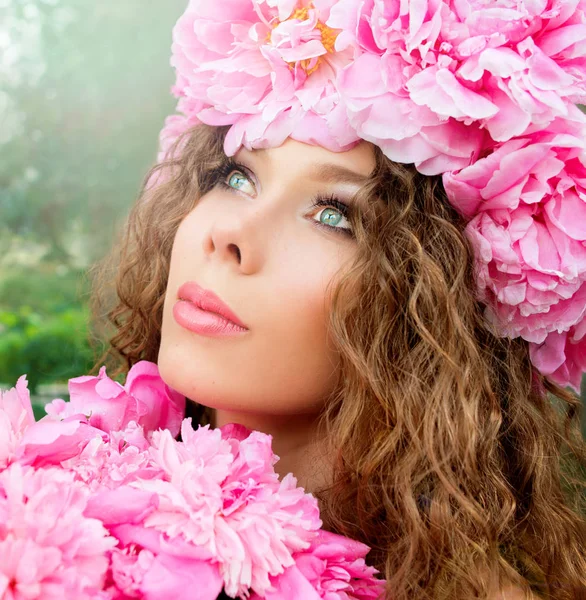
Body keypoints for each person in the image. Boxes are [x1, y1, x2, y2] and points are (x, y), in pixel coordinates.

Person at [91, 1, 586, 599]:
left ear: (431, 308)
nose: (230, 236)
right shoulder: (57, 511)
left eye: (333, 215)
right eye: (236, 177)